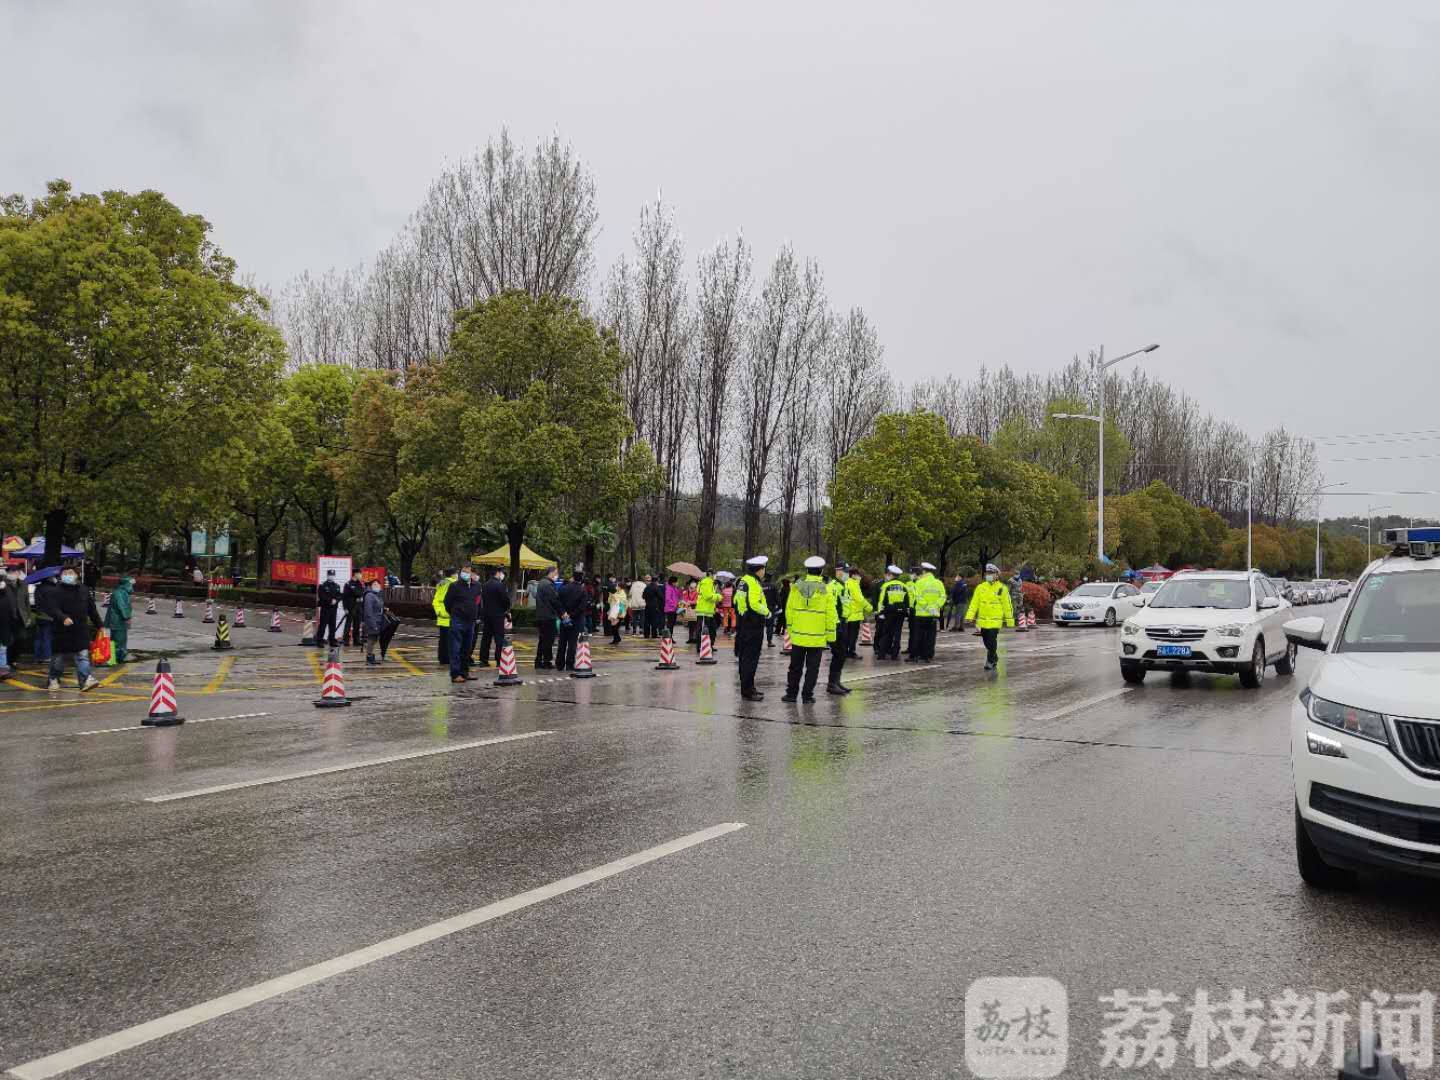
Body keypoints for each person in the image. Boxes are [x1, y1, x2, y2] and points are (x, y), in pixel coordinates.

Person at [41, 566, 102, 691]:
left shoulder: (84, 590)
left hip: (80, 630)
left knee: (83, 656)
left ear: (77, 575)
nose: (68, 575)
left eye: (70, 573)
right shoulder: (55, 591)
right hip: (61, 631)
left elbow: (92, 610)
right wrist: (63, 617)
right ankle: (53, 679)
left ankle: (85, 681)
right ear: (61, 576)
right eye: (65, 573)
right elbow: (52, 608)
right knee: (58, 658)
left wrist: (100, 625)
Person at [782, 556, 834, 703]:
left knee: (794, 668)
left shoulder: (796, 587)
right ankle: (807, 696)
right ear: (821, 571)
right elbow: (831, 615)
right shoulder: (825, 589)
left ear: (807, 571)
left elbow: (789, 610)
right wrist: (831, 636)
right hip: (817, 638)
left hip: (798, 636)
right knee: (812, 669)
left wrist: (791, 630)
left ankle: (791, 695)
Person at [965, 563, 1016, 671]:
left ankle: (990, 661)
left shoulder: (1002, 588)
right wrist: (969, 616)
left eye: (991, 573)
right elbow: (974, 603)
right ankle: (994, 656)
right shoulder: (980, 587)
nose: (989, 575)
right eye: (988, 573)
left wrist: (1010, 620)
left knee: (992, 640)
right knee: (986, 640)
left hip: (995, 621)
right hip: (983, 620)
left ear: (997, 575)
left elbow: (1007, 605)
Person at [733, 555, 771, 701]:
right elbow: (754, 603)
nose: (764, 571)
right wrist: (767, 612)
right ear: (758, 569)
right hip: (753, 625)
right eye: (763, 568)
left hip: (744, 623)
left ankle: (749, 688)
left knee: (745, 658)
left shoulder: (744, 581)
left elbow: (736, 600)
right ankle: (748, 691)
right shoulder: (753, 583)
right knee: (750, 659)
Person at [444, 566, 483, 683]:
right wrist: (455, 613)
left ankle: (464, 672)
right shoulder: (454, 586)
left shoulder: (477, 586)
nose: (465, 574)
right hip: (458, 620)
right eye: (463, 571)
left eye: (468, 572)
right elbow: (447, 603)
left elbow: (478, 602)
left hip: (470, 621)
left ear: (472, 574)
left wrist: (477, 615)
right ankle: (455, 674)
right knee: (455, 648)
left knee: (467, 648)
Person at [906, 562, 946, 662]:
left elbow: (918, 598)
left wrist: (927, 607)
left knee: (918, 635)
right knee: (930, 636)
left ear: (924, 571)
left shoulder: (919, 582)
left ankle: (915, 655)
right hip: (933, 614)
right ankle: (927, 656)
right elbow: (943, 597)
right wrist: (935, 606)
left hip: (921, 614)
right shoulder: (939, 583)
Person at [825, 565, 851, 694]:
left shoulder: (844, 586)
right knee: (838, 654)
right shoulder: (833, 586)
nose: (847, 574)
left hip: (844, 622)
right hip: (837, 624)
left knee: (842, 654)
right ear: (838, 571)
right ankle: (831, 684)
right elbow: (831, 608)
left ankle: (836, 681)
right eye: (844, 571)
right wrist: (836, 625)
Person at [875, 565, 910, 660]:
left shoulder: (886, 585)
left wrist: (880, 613)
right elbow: (907, 601)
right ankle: (895, 654)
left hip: (889, 613)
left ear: (890, 575)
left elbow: (881, 601)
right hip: (901, 613)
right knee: (897, 633)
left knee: (886, 633)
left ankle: (882, 654)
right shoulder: (904, 586)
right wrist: (907, 613)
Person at [477, 569, 510, 666]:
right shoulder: (500, 585)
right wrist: (504, 609)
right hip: (498, 615)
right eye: (502, 573)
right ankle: (499, 660)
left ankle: (483, 660)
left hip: (486, 615)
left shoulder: (485, 585)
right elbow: (505, 600)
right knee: (499, 638)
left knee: (486, 638)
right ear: (498, 573)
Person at [557, 570, 587, 671]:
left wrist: (564, 614)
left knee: (562, 642)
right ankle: (569, 664)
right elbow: (582, 607)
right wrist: (572, 615)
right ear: (581, 579)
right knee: (572, 643)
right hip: (576, 620)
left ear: (573, 577)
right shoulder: (582, 591)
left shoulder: (563, 588)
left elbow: (558, 603)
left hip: (564, 619)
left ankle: (559, 664)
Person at [841, 564, 872, 659]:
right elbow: (859, 599)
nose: (860, 576)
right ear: (853, 575)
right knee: (853, 635)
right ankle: (851, 652)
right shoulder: (853, 584)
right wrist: (869, 607)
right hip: (854, 614)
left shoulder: (846, 583)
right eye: (858, 574)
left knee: (847, 634)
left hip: (848, 613)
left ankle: (845, 651)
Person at [534, 565, 562, 670]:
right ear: (552, 573)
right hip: (548, 616)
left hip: (542, 616)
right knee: (548, 640)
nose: (557, 575)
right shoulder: (548, 584)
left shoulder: (542, 583)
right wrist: (562, 612)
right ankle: (547, 662)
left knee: (542, 639)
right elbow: (554, 600)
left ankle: (538, 661)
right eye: (556, 573)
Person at [104, 575, 135, 663]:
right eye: (130, 584)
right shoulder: (119, 593)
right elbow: (122, 606)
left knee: (118, 639)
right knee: (119, 640)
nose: (132, 587)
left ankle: (116, 657)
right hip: (118, 621)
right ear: (126, 584)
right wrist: (127, 617)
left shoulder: (121, 592)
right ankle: (118, 657)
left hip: (118, 621)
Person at [432, 568, 456, 666]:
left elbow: (435, 601)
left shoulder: (441, 584)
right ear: (454, 574)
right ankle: (449, 659)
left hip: (442, 616)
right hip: (451, 616)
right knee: (452, 640)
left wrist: (439, 612)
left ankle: (442, 658)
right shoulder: (455, 584)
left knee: (443, 640)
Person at [0, 571, 22, 677]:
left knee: (3, 648)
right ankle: (3, 668)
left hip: (5, 625)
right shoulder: (6, 595)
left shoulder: (6, 595)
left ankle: (3, 668)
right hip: (5, 625)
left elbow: (10, 609)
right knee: (3, 647)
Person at [315, 569, 343, 650]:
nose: (331, 576)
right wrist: (330, 600)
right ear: (327, 575)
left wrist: (336, 600)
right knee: (323, 625)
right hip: (325, 608)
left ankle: (332, 640)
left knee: (332, 625)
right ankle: (319, 641)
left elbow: (340, 595)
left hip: (334, 609)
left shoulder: (337, 586)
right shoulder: (322, 586)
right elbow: (322, 596)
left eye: (332, 575)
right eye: (330, 575)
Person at [32, 575, 56, 662]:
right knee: (47, 637)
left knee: (38, 637)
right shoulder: (53, 589)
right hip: (49, 616)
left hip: (39, 615)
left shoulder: (38, 589)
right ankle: (47, 656)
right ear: (49, 579)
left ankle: (37, 656)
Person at [362, 580, 386, 665]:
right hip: (372, 621)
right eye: (375, 584)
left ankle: (371, 657)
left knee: (374, 639)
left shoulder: (376, 595)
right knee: (371, 640)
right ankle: (369, 658)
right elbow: (368, 611)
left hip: (377, 621)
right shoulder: (369, 595)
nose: (377, 586)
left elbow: (378, 607)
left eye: (378, 584)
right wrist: (372, 624)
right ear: (371, 586)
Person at [693, 570, 718, 650]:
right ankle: (701, 646)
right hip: (704, 611)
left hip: (708, 611)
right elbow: (708, 596)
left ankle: (708, 645)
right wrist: (718, 596)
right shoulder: (707, 582)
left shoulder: (708, 582)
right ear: (710, 574)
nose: (715, 576)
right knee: (704, 629)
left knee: (711, 629)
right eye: (714, 574)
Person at [342, 571, 366, 648]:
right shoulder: (348, 584)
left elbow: (361, 593)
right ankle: (346, 640)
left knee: (357, 624)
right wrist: (345, 608)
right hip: (350, 607)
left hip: (358, 607)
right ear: (355, 574)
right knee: (348, 624)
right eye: (360, 574)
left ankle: (356, 640)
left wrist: (358, 593)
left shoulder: (360, 583)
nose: (361, 575)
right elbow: (344, 597)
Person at [643, 574, 666, 638]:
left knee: (647, 621)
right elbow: (661, 596)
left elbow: (643, 596)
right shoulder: (656, 587)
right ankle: (654, 634)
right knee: (654, 621)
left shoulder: (646, 587)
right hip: (655, 606)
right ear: (656, 581)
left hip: (647, 606)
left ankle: (646, 634)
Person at [607, 580, 627, 645]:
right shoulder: (616, 592)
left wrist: (613, 595)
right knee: (614, 627)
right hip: (614, 612)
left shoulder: (623, 593)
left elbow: (620, 601)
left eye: (617, 586)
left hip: (619, 613)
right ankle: (616, 639)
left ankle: (617, 639)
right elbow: (609, 601)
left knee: (614, 627)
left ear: (620, 587)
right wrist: (610, 595)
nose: (616, 587)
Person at [762, 577, 780, 646]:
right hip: (770, 608)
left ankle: (758, 642)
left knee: (760, 626)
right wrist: (779, 606)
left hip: (761, 608)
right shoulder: (773, 586)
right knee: (770, 626)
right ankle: (769, 642)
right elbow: (777, 597)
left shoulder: (760, 585)